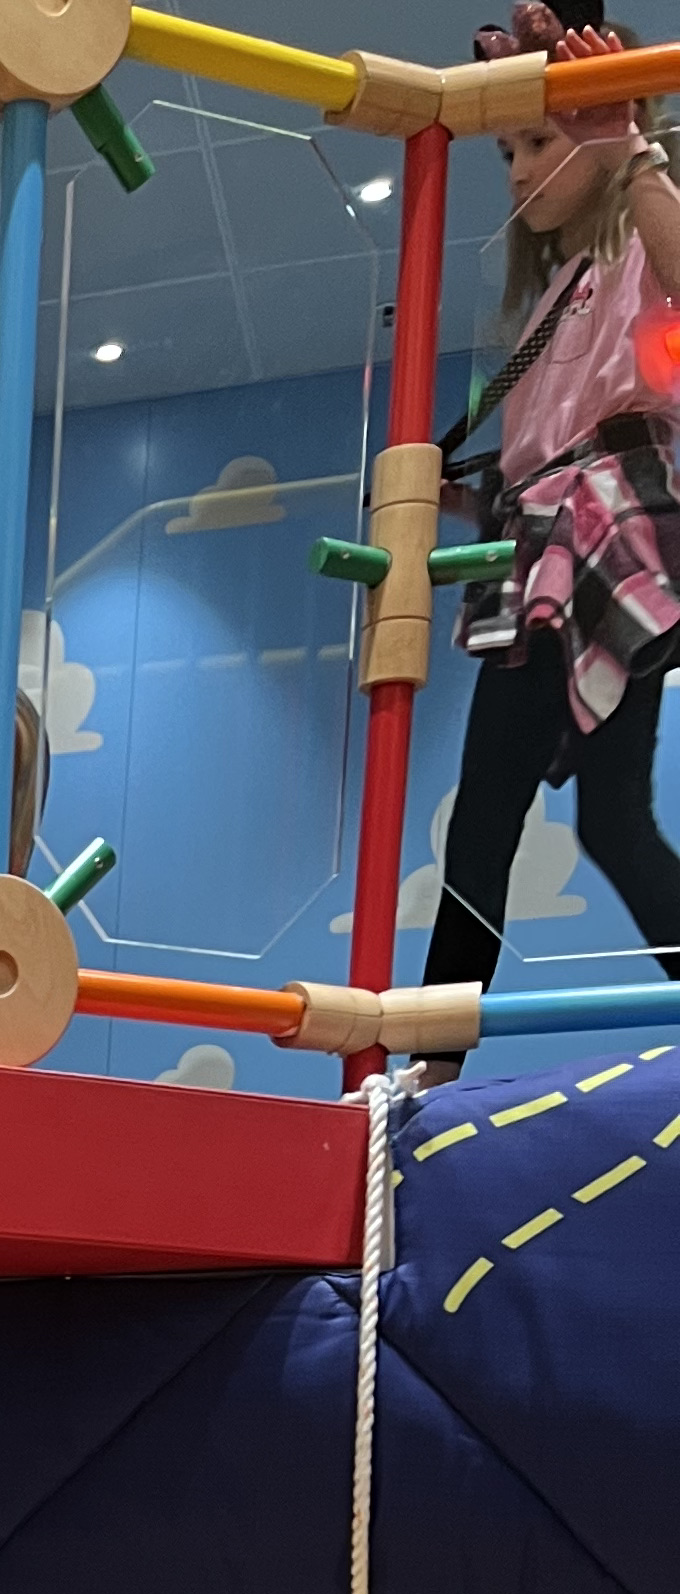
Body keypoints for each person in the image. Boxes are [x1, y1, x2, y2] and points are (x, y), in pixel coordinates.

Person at [422, 8, 680, 999]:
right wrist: (463, 503)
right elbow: (541, 457)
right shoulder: (558, 290)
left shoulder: (642, 238)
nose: (518, 174)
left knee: (486, 812)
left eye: (536, 143)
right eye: (508, 154)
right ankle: (441, 1042)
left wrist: (629, 144)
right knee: (611, 820)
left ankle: (436, 1050)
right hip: (558, 542)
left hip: (601, 534)